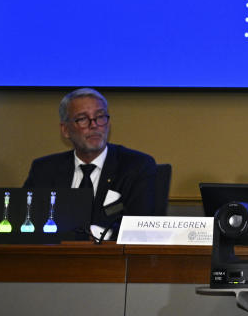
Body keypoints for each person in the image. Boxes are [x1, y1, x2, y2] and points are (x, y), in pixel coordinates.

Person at [23, 88, 157, 239]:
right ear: (65, 130)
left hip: (111, 259)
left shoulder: (136, 167)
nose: (94, 125)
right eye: (83, 119)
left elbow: (140, 226)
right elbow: (25, 220)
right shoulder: (44, 170)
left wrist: (100, 235)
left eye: (100, 117)